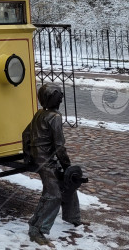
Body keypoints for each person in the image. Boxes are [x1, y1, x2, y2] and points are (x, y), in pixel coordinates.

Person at [23, 83, 84, 246]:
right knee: (54, 195)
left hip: (40, 157)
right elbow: (59, 147)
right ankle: (36, 229)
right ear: (52, 100)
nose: (61, 100)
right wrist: (67, 167)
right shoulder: (55, 117)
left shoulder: (39, 114)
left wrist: (28, 154)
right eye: (59, 97)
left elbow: (25, 134)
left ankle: (73, 218)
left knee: (69, 183)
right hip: (46, 160)